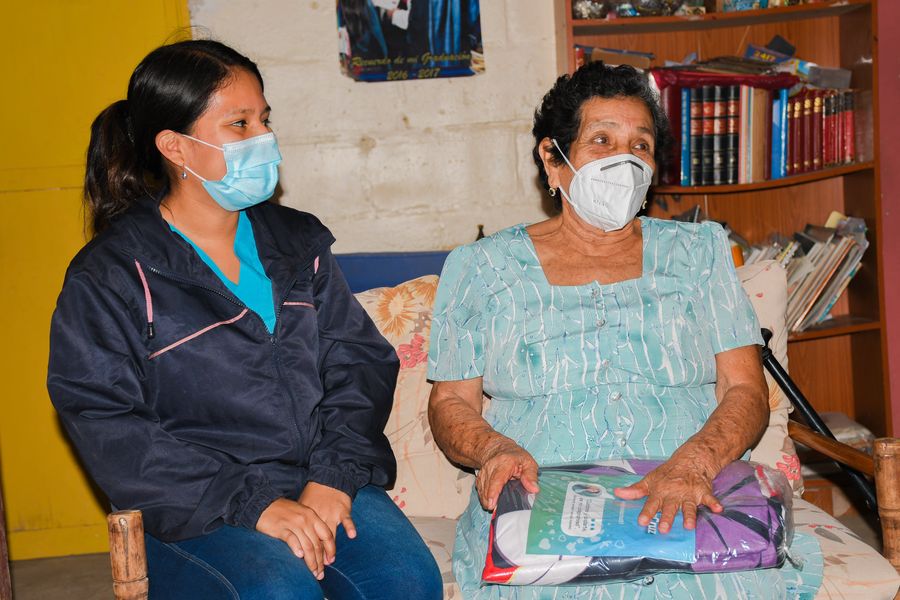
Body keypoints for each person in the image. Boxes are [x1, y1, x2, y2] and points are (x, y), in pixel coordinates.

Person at [47, 39, 442, 600]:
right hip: (194, 503)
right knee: (279, 591)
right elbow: (105, 418)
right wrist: (253, 504)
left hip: (317, 476)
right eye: (239, 123)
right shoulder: (111, 274)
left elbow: (358, 362)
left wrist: (333, 476)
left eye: (264, 118)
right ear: (175, 146)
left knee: (406, 581)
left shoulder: (297, 241)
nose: (264, 138)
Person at [427, 61, 823, 598]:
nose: (625, 159)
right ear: (553, 157)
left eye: (641, 145)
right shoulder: (482, 267)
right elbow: (451, 401)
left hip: (691, 489)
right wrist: (493, 450)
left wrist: (695, 464)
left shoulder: (699, 253)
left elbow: (745, 389)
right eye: (601, 140)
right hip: (547, 503)